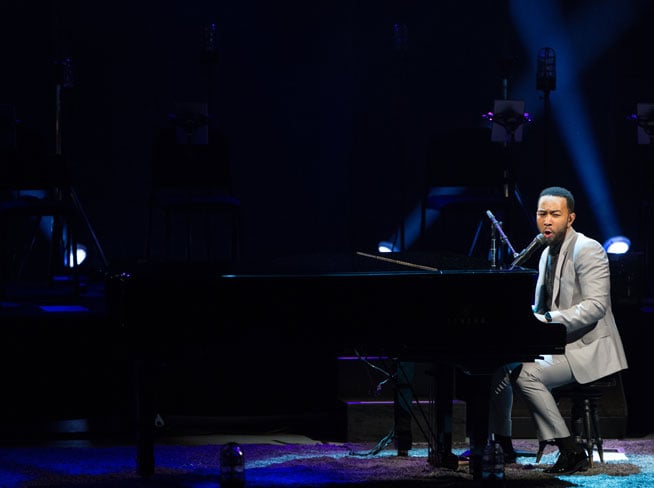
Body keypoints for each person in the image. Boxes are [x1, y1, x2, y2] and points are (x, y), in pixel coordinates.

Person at [488, 186, 628, 475]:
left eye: (555, 214)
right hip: (556, 345)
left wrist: (548, 318)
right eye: (542, 214)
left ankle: (570, 449)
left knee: (526, 374)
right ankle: (502, 443)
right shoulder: (545, 254)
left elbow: (595, 306)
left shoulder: (588, 249)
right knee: (497, 366)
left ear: (570, 218)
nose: (547, 221)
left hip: (586, 348)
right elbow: (541, 308)